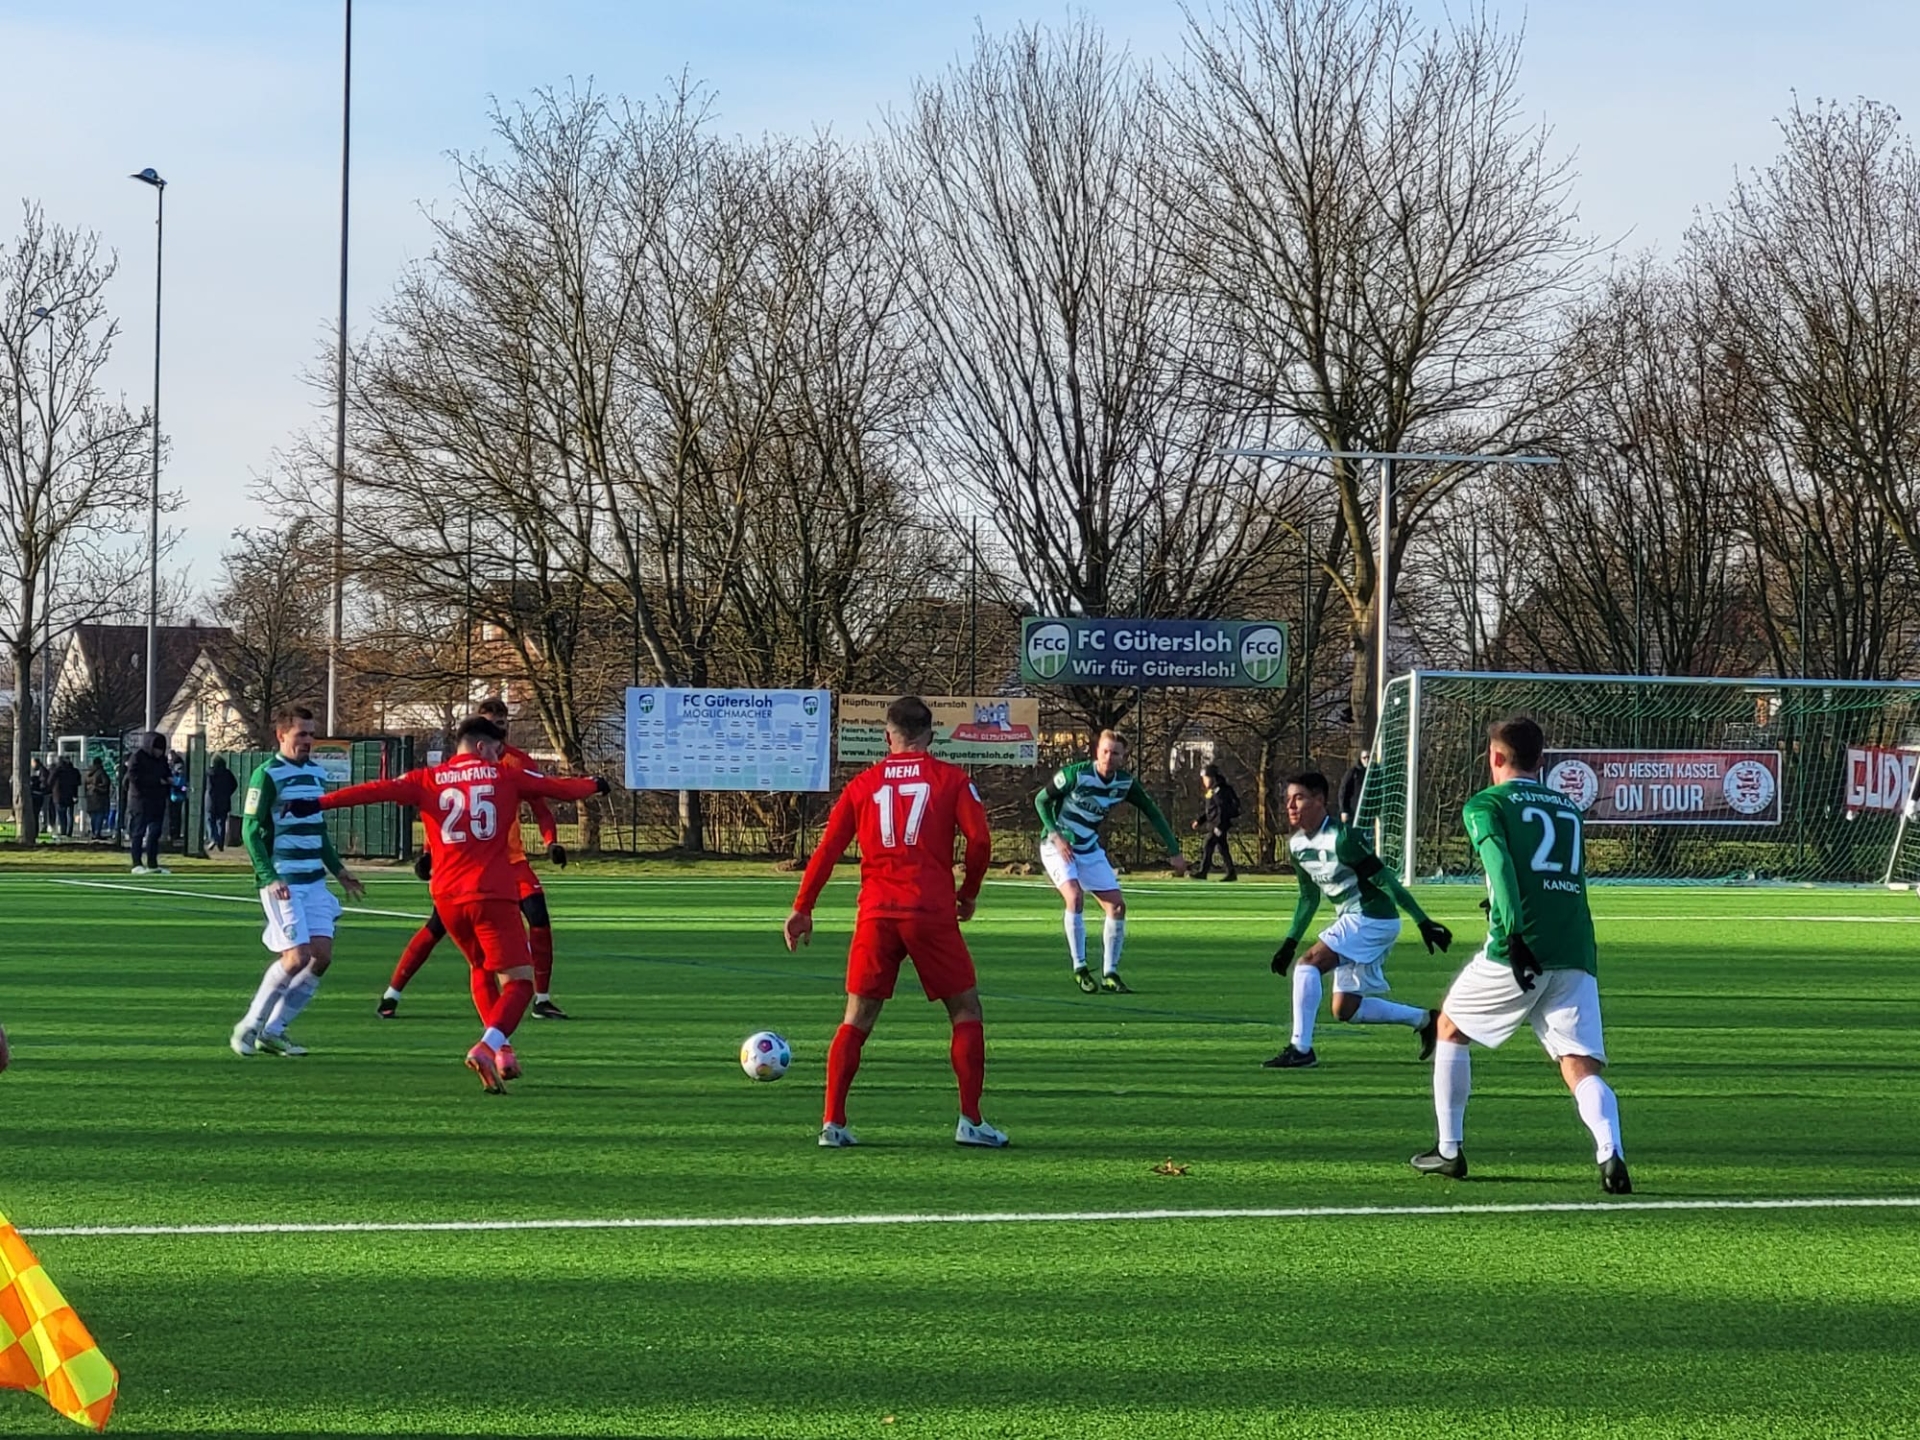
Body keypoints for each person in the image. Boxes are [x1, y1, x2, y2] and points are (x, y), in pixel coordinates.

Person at [297, 715, 606, 1091]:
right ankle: (487, 1047)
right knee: (521, 983)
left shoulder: (427, 778)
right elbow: (558, 788)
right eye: (495, 750)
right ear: (481, 746)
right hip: (491, 893)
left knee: (480, 967)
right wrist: (595, 784)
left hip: (446, 897)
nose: (497, 757)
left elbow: (375, 790)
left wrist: (319, 803)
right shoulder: (504, 775)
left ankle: (503, 1051)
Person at [1410, 716, 1630, 1194]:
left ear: (1494, 757)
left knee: (1449, 1027)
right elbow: (1556, 878)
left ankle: (1449, 1150)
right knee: (1578, 1064)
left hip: (1520, 947)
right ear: (1541, 760)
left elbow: (1500, 865)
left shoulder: (1486, 804)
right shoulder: (1568, 808)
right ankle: (1610, 1150)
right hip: (1575, 948)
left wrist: (1511, 932)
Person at [784, 695, 1001, 1148]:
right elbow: (980, 841)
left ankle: (832, 1123)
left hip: (877, 914)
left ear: (888, 737)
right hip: (930, 912)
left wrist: (803, 907)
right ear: (931, 736)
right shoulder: (952, 779)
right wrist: (969, 892)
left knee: (856, 1017)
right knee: (965, 1010)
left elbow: (827, 849)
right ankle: (971, 1121)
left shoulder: (862, 785)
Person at [378, 696, 572, 1020]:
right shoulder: (459, 768)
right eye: (492, 723)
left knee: (539, 917)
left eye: (502, 723)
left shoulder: (518, 763)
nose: (499, 729)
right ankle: (392, 992)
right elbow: (440, 810)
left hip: (511, 862)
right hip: (469, 867)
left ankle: (541, 998)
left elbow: (540, 805)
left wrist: (551, 841)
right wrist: (428, 852)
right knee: (437, 927)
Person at [1267, 772, 1448, 1068]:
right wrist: (1289, 942)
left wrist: (1423, 921)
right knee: (1346, 1009)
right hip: (1358, 920)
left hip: (1371, 918)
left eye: (1298, 798)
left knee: (1308, 964)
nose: (1290, 806)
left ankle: (1301, 1049)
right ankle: (1427, 1020)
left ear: (1319, 800)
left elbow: (1386, 881)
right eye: (1288, 799)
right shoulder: (1296, 845)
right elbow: (1308, 898)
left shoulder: (1344, 838)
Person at [230, 708, 367, 1059]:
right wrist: (269, 876)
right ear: (282, 735)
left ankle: (274, 1032)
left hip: (314, 882)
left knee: (321, 957)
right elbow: (250, 830)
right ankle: (249, 1025)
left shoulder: (316, 774)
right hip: (284, 881)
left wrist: (339, 871)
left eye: (311, 734)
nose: (308, 740)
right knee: (295, 957)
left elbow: (318, 830)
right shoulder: (266, 775)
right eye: (301, 734)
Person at [1035, 730, 1187, 994]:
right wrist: (1056, 835)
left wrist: (1174, 850)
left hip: (1088, 847)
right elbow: (1041, 800)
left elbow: (1153, 812)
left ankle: (1110, 974)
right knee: (1074, 897)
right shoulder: (1076, 774)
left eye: (1115, 753)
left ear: (1123, 757)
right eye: (1105, 751)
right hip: (1057, 846)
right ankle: (1080, 968)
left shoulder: (1125, 783)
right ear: (1097, 752)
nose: (1109, 757)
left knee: (1117, 907)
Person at [124, 733, 172, 874]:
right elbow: (133, 777)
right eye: (157, 749)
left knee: (155, 832)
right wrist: (157, 781)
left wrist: (169, 780)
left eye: (161, 749)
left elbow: (166, 773)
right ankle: (137, 863)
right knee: (138, 832)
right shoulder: (137, 757)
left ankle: (152, 864)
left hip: (157, 800)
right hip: (140, 801)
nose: (159, 752)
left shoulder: (161, 760)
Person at [1190, 763, 1241, 881]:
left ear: (1212, 778)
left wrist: (1219, 826)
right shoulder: (1212, 791)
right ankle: (1231, 873)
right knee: (1222, 848)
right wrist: (1200, 821)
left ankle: (1203, 872)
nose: (1204, 781)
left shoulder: (1219, 791)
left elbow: (1222, 809)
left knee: (1209, 845)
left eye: (1205, 778)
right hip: (1215, 824)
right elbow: (1211, 811)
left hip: (1218, 825)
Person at [205, 756, 239, 853]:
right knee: (221, 822)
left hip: (211, 800)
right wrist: (227, 793)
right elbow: (234, 784)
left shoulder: (209, 773)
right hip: (224, 800)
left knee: (210, 820)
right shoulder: (227, 773)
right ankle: (220, 842)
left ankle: (213, 838)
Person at [50, 757, 80, 839]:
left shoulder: (57, 771)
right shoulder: (74, 771)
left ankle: (63, 831)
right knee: (70, 814)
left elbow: (50, 781)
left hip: (59, 795)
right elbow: (77, 783)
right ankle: (69, 831)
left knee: (61, 815)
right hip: (71, 795)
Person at [84, 759, 111, 840]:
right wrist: (99, 788)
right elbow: (106, 783)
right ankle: (97, 832)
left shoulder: (89, 773)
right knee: (99, 815)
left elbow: (85, 785)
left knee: (93, 816)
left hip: (90, 797)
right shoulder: (101, 772)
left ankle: (94, 832)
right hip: (100, 798)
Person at [1338, 751, 1368, 825]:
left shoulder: (1373, 773)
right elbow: (1343, 791)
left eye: (1368, 757)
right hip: (1354, 811)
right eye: (1364, 758)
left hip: (1368, 811)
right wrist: (1343, 810)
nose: (1367, 760)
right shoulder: (1353, 772)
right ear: (1360, 759)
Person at [28, 760, 48, 841]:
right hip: (39, 795)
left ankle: (35, 831)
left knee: (35, 814)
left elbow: (43, 783)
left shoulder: (42, 772)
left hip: (38, 795)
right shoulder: (39, 772)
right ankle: (35, 831)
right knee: (36, 815)